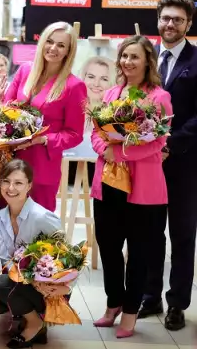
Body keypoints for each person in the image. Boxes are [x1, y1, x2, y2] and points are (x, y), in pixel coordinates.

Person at [91, 35, 172, 338]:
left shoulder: (159, 97)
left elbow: (159, 142)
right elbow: (96, 132)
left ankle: (130, 312)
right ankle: (113, 302)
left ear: (148, 61)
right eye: (124, 56)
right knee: (109, 249)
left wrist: (119, 151)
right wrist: (105, 149)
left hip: (144, 190)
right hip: (108, 184)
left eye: (134, 56)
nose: (128, 62)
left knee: (138, 253)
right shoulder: (112, 92)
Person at [140, 0, 197, 331]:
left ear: (188, 23)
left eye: (177, 19)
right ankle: (150, 296)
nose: (170, 24)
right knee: (149, 233)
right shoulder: (146, 60)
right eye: (166, 18)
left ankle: (177, 303)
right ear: (158, 20)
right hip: (147, 163)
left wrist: (170, 143)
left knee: (182, 234)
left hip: (185, 164)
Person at [0, 159, 60, 348]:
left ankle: (36, 321)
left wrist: (62, 289)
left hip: (49, 286)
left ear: (29, 186)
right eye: (6, 181)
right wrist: (21, 275)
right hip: (20, 281)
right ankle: (31, 318)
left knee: (9, 285)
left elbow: (67, 256)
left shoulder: (42, 217)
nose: (11, 188)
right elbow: (6, 258)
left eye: (18, 183)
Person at [4, 21, 86, 212]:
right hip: (10, 161)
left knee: (36, 229)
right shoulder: (24, 70)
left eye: (61, 45)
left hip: (42, 167)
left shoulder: (74, 86)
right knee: (7, 225)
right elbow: (4, 109)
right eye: (50, 41)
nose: (53, 48)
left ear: (69, 51)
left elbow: (75, 134)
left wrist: (43, 139)